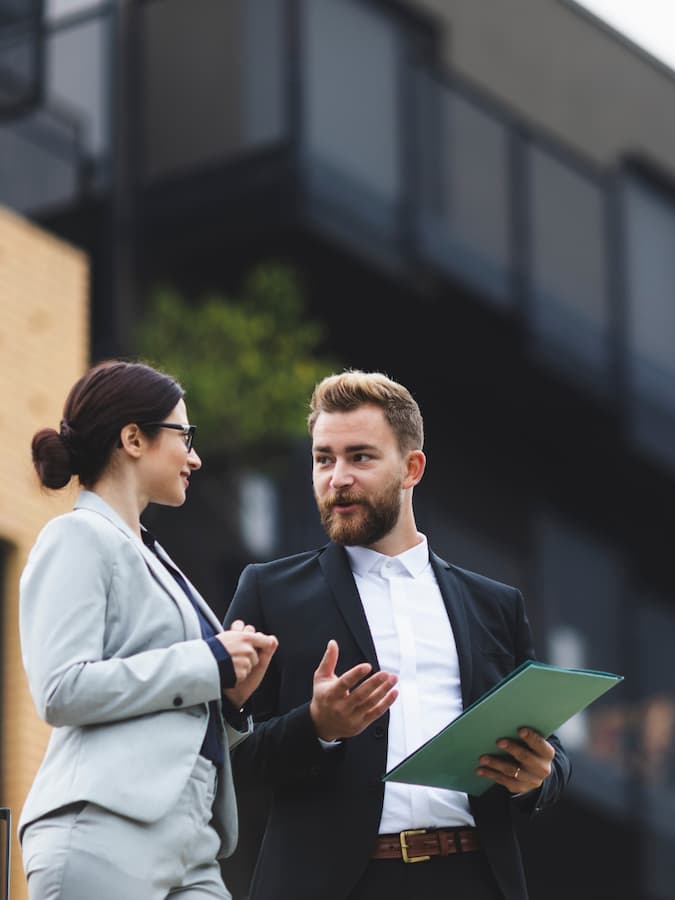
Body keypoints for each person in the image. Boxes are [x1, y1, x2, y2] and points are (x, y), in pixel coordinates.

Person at [224, 369, 571, 900]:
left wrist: (539, 776)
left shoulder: (495, 605)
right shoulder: (269, 592)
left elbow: (549, 749)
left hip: (472, 879)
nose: (338, 478)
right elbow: (222, 756)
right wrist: (316, 727)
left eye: (360, 457)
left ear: (412, 468)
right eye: (324, 459)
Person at [18, 359, 279, 900]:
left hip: (195, 846)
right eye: (185, 435)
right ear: (133, 439)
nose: (195, 456)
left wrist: (230, 702)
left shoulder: (153, 556)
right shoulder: (76, 537)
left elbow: (172, 714)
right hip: (103, 832)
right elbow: (60, 689)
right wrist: (209, 662)